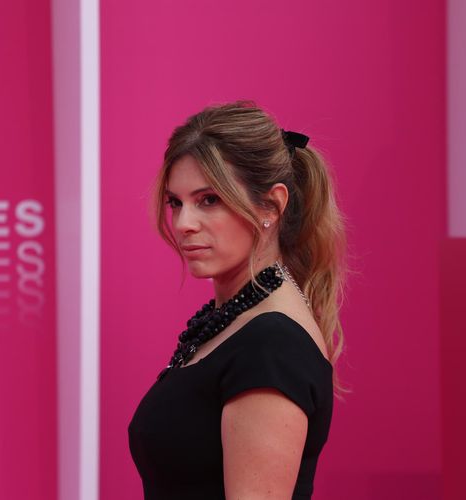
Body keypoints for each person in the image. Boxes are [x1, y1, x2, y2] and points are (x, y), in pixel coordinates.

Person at [128, 101, 346, 500]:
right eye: (176, 202)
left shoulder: (272, 345)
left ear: (272, 206)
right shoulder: (240, 319)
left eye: (209, 199)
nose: (183, 224)